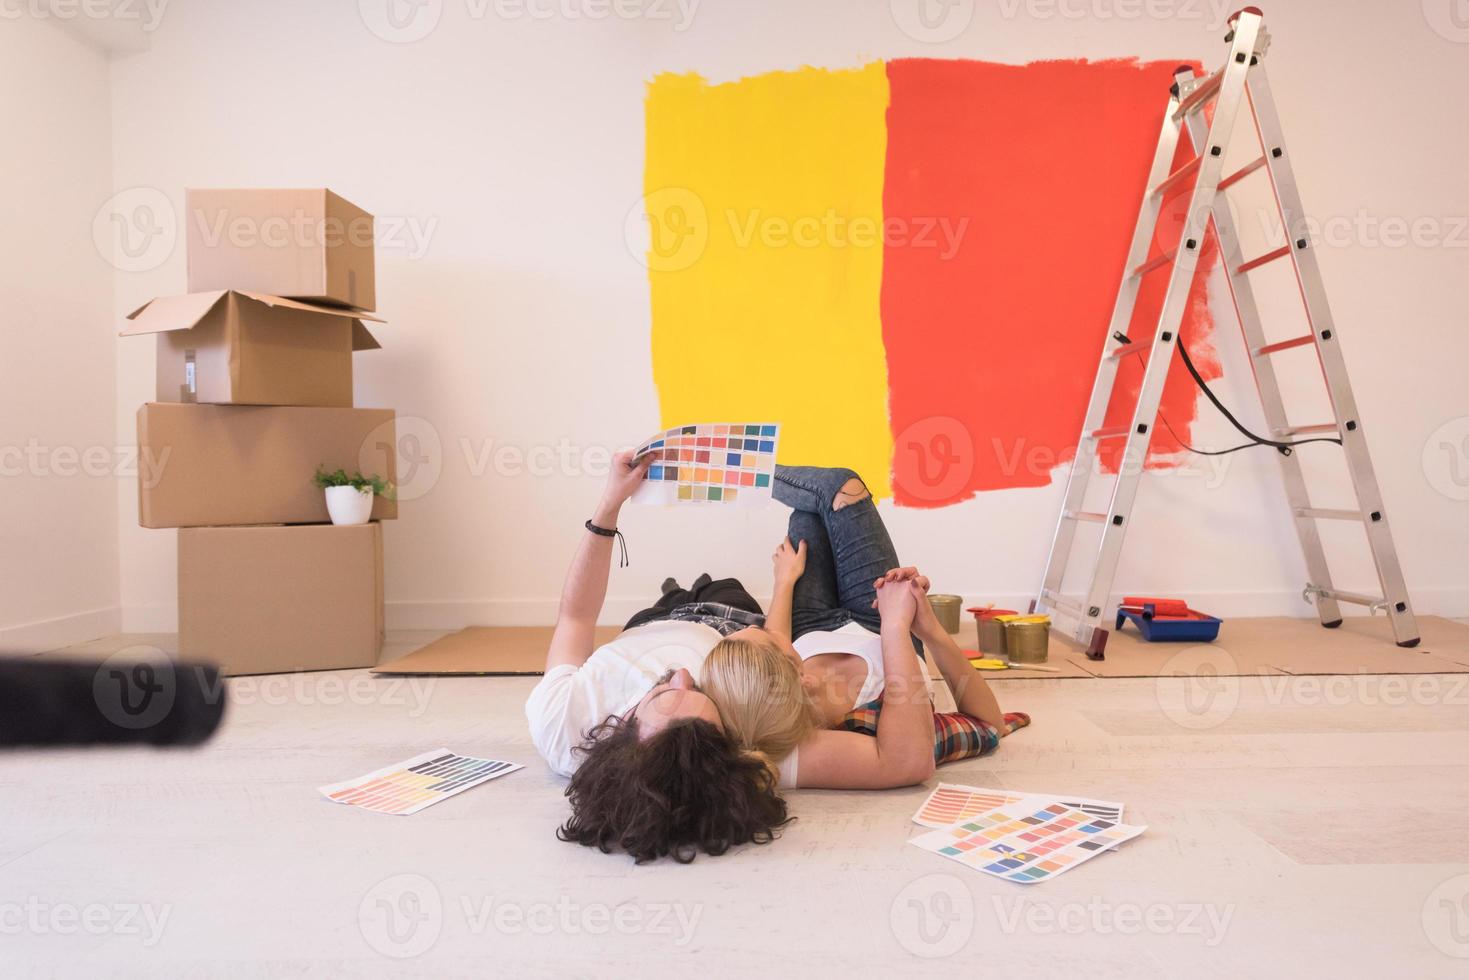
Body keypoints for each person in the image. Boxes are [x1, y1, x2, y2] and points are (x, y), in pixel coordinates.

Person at [699, 465, 1014, 789]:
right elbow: (990, 725)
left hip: (812, 624)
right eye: (767, 636)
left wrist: (785, 581)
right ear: (800, 673)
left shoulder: (764, 695)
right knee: (841, 490)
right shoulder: (875, 719)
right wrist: (923, 627)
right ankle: (722, 468)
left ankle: (719, 468)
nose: (767, 627)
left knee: (806, 517)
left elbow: (778, 640)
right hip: (879, 619)